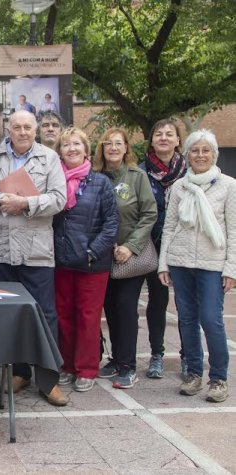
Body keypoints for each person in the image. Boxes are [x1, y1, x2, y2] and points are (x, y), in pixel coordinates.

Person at [0, 110, 68, 406]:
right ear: (8, 129)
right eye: (17, 127)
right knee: (8, 314)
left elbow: (59, 199)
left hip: (36, 251)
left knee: (44, 314)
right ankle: (20, 372)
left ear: (35, 130)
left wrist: (25, 203)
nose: (22, 132)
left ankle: (49, 379)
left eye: (27, 127)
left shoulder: (49, 158)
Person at [158, 129, 233, 403]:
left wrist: (231, 269)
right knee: (187, 320)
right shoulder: (179, 186)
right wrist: (163, 263)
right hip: (180, 262)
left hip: (213, 264)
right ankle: (192, 373)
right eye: (195, 150)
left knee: (211, 320)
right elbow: (169, 227)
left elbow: (234, 231)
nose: (200, 155)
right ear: (187, 154)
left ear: (214, 154)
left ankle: (218, 378)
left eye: (206, 150)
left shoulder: (228, 185)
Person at [52, 128, 118, 393]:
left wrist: (93, 251)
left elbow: (111, 223)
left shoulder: (101, 182)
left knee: (88, 318)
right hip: (61, 262)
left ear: (86, 150)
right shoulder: (53, 182)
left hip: (92, 264)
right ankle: (67, 365)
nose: (71, 149)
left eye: (76, 144)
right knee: (63, 317)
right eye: (66, 145)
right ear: (60, 152)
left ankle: (87, 368)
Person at [93, 128, 157, 389]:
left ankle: (128, 366)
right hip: (103, 256)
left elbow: (149, 214)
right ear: (102, 148)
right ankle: (116, 359)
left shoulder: (137, 176)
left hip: (129, 256)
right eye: (108, 143)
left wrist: (130, 246)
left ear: (126, 148)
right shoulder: (95, 177)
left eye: (118, 143)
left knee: (126, 308)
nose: (113, 148)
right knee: (109, 309)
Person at [140, 118, 187, 379]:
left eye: (170, 134)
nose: (164, 138)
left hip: (183, 247)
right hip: (153, 245)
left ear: (178, 140)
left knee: (186, 304)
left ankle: (187, 356)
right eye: (159, 134)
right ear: (152, 140)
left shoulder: (190, 172)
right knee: (157, 302)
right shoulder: (140, 171)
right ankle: (157, 355)